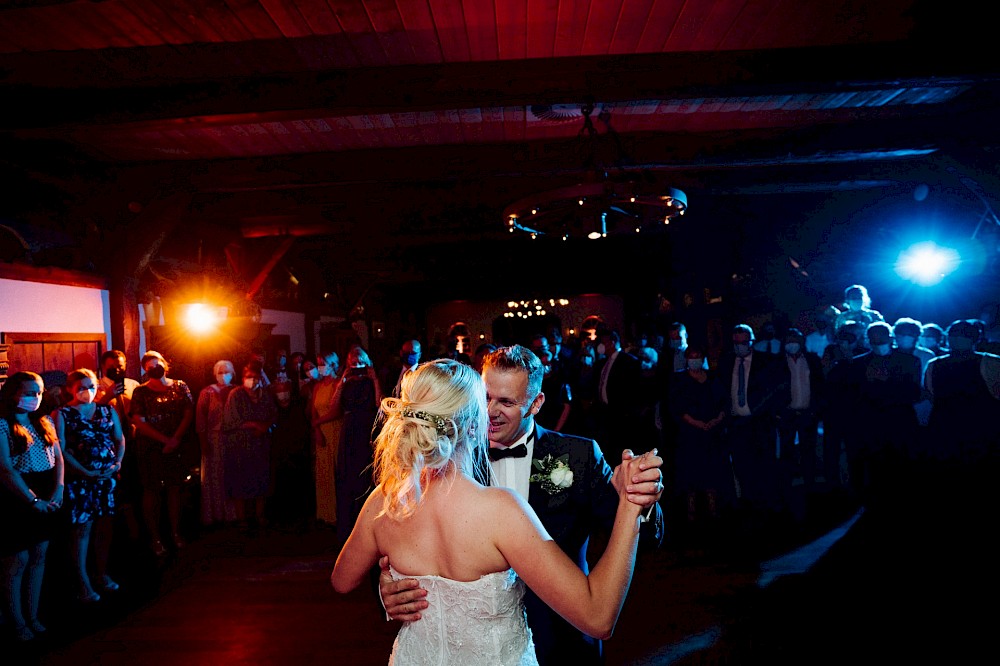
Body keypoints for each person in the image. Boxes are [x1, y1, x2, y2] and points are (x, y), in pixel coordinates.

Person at [332, 358, 656, 665]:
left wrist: (394, 572)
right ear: (474, 425)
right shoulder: (501, 509)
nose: (494, 412)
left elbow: (342, 580)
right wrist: (630, 504)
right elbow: (598, 617)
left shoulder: (384, 500)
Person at [0, 371, 64, 642]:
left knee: (39, 556)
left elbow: (58, 458)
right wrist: (32, 500)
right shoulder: (3, 424)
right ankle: (16, 620)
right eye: (28, 393)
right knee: (18, 559)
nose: (35, 398)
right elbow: (4, 468)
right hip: (17, 495)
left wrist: (59, 490)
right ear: (13, 393)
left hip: (47, 489)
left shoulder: (45, 420)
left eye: (38, 393)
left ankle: (34, 615)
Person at [55, 369, 125, 603]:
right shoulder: (63, 413)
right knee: (82, 530)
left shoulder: (107, 409)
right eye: (82, 387)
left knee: (105, 528)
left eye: (91, 386)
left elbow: (119, 438)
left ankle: (101, 573)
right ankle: (82, 581)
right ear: (71, 389)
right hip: (81, 479)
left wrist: (117, 462)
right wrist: (84, 471)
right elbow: (61, 448)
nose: (88, 392)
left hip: (107, 478)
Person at [129, 351, 194, 556]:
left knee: (175, 489)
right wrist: (165, 440)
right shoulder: (140, 391)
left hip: (176, 444)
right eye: (149, 367)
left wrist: (175, 439)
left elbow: (188, 412)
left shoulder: (180, 385)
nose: (154, 369)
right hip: (151, 446)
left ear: (165, 365)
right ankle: (155, 537)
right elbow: (138, 420)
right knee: (151, 491)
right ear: (145, 370)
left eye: (157, 364)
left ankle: (175, 532)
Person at [331, 346, 382, 542]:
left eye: (359, 361)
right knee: (347, 474)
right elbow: (334, 406)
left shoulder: (373, 379)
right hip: (349, 427)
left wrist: (374, 378)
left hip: (367, 427)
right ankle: (347, 524)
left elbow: (380, 404)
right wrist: (342, 381)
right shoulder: (345, 382)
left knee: (365, 473)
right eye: (353, 362)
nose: (356, 365)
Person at [221, 360, 278, 531]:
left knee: (261, 478)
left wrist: (266, 426)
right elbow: (232, 420)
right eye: (248, 377)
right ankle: (242, 518)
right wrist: (255, 425)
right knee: (241, 479)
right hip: (240, 443)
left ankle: (260, 515)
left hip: (261, 444)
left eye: (254, 377)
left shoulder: (265, 394)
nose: (251, 380)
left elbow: (273, 415)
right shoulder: (236, 394)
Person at [195, 360, 237, 527]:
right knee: (214, 476)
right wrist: (203, 441)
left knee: (232, 474)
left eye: (226, 371)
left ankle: (234, 514)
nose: (223, 375)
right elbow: (200, 419)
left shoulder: (237, 390)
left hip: (234, 439)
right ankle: (215, 514)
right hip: (214, 438)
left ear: (232, 373)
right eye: (220, 372)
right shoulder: (207, 392)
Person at [309, 351, 341, 526]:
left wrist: (317, 423)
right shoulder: (318, 386)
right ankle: (325, 513)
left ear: (333, 364)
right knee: (323, 471)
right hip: (320, 430)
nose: (320, 367)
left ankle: (337, 514)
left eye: (323, 363)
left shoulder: (337, 383)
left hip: (334, 428)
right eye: (318, 363)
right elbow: (313, 410)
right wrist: (316, 429)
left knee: (335, 469)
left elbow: (336, 411)